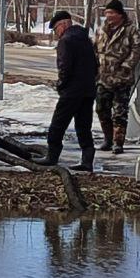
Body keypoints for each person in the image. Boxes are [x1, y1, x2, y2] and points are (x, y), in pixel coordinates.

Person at [39, 10, 98, 171]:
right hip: (88, 90)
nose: (56, 33)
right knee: (84, 126)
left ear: (64, 24)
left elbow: (65, 67)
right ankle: (87, 160)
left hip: (71, 91)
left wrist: (61, 84)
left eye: (56, 28)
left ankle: (52, 156)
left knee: (58, 124)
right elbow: (96, 64)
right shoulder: (85, 39)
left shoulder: (66, 41)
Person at [94, 0, 140, 155]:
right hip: (103, 78)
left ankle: (118, 142)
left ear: (120, 14)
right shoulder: (101, 30)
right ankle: (107, 139)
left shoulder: (130, 30)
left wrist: (126, 66)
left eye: (112, 13)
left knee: (119, 112)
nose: (108, 16)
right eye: (107, 12)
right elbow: (95, 49)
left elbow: (137, 50)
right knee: (101, 109)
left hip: (122, 79)